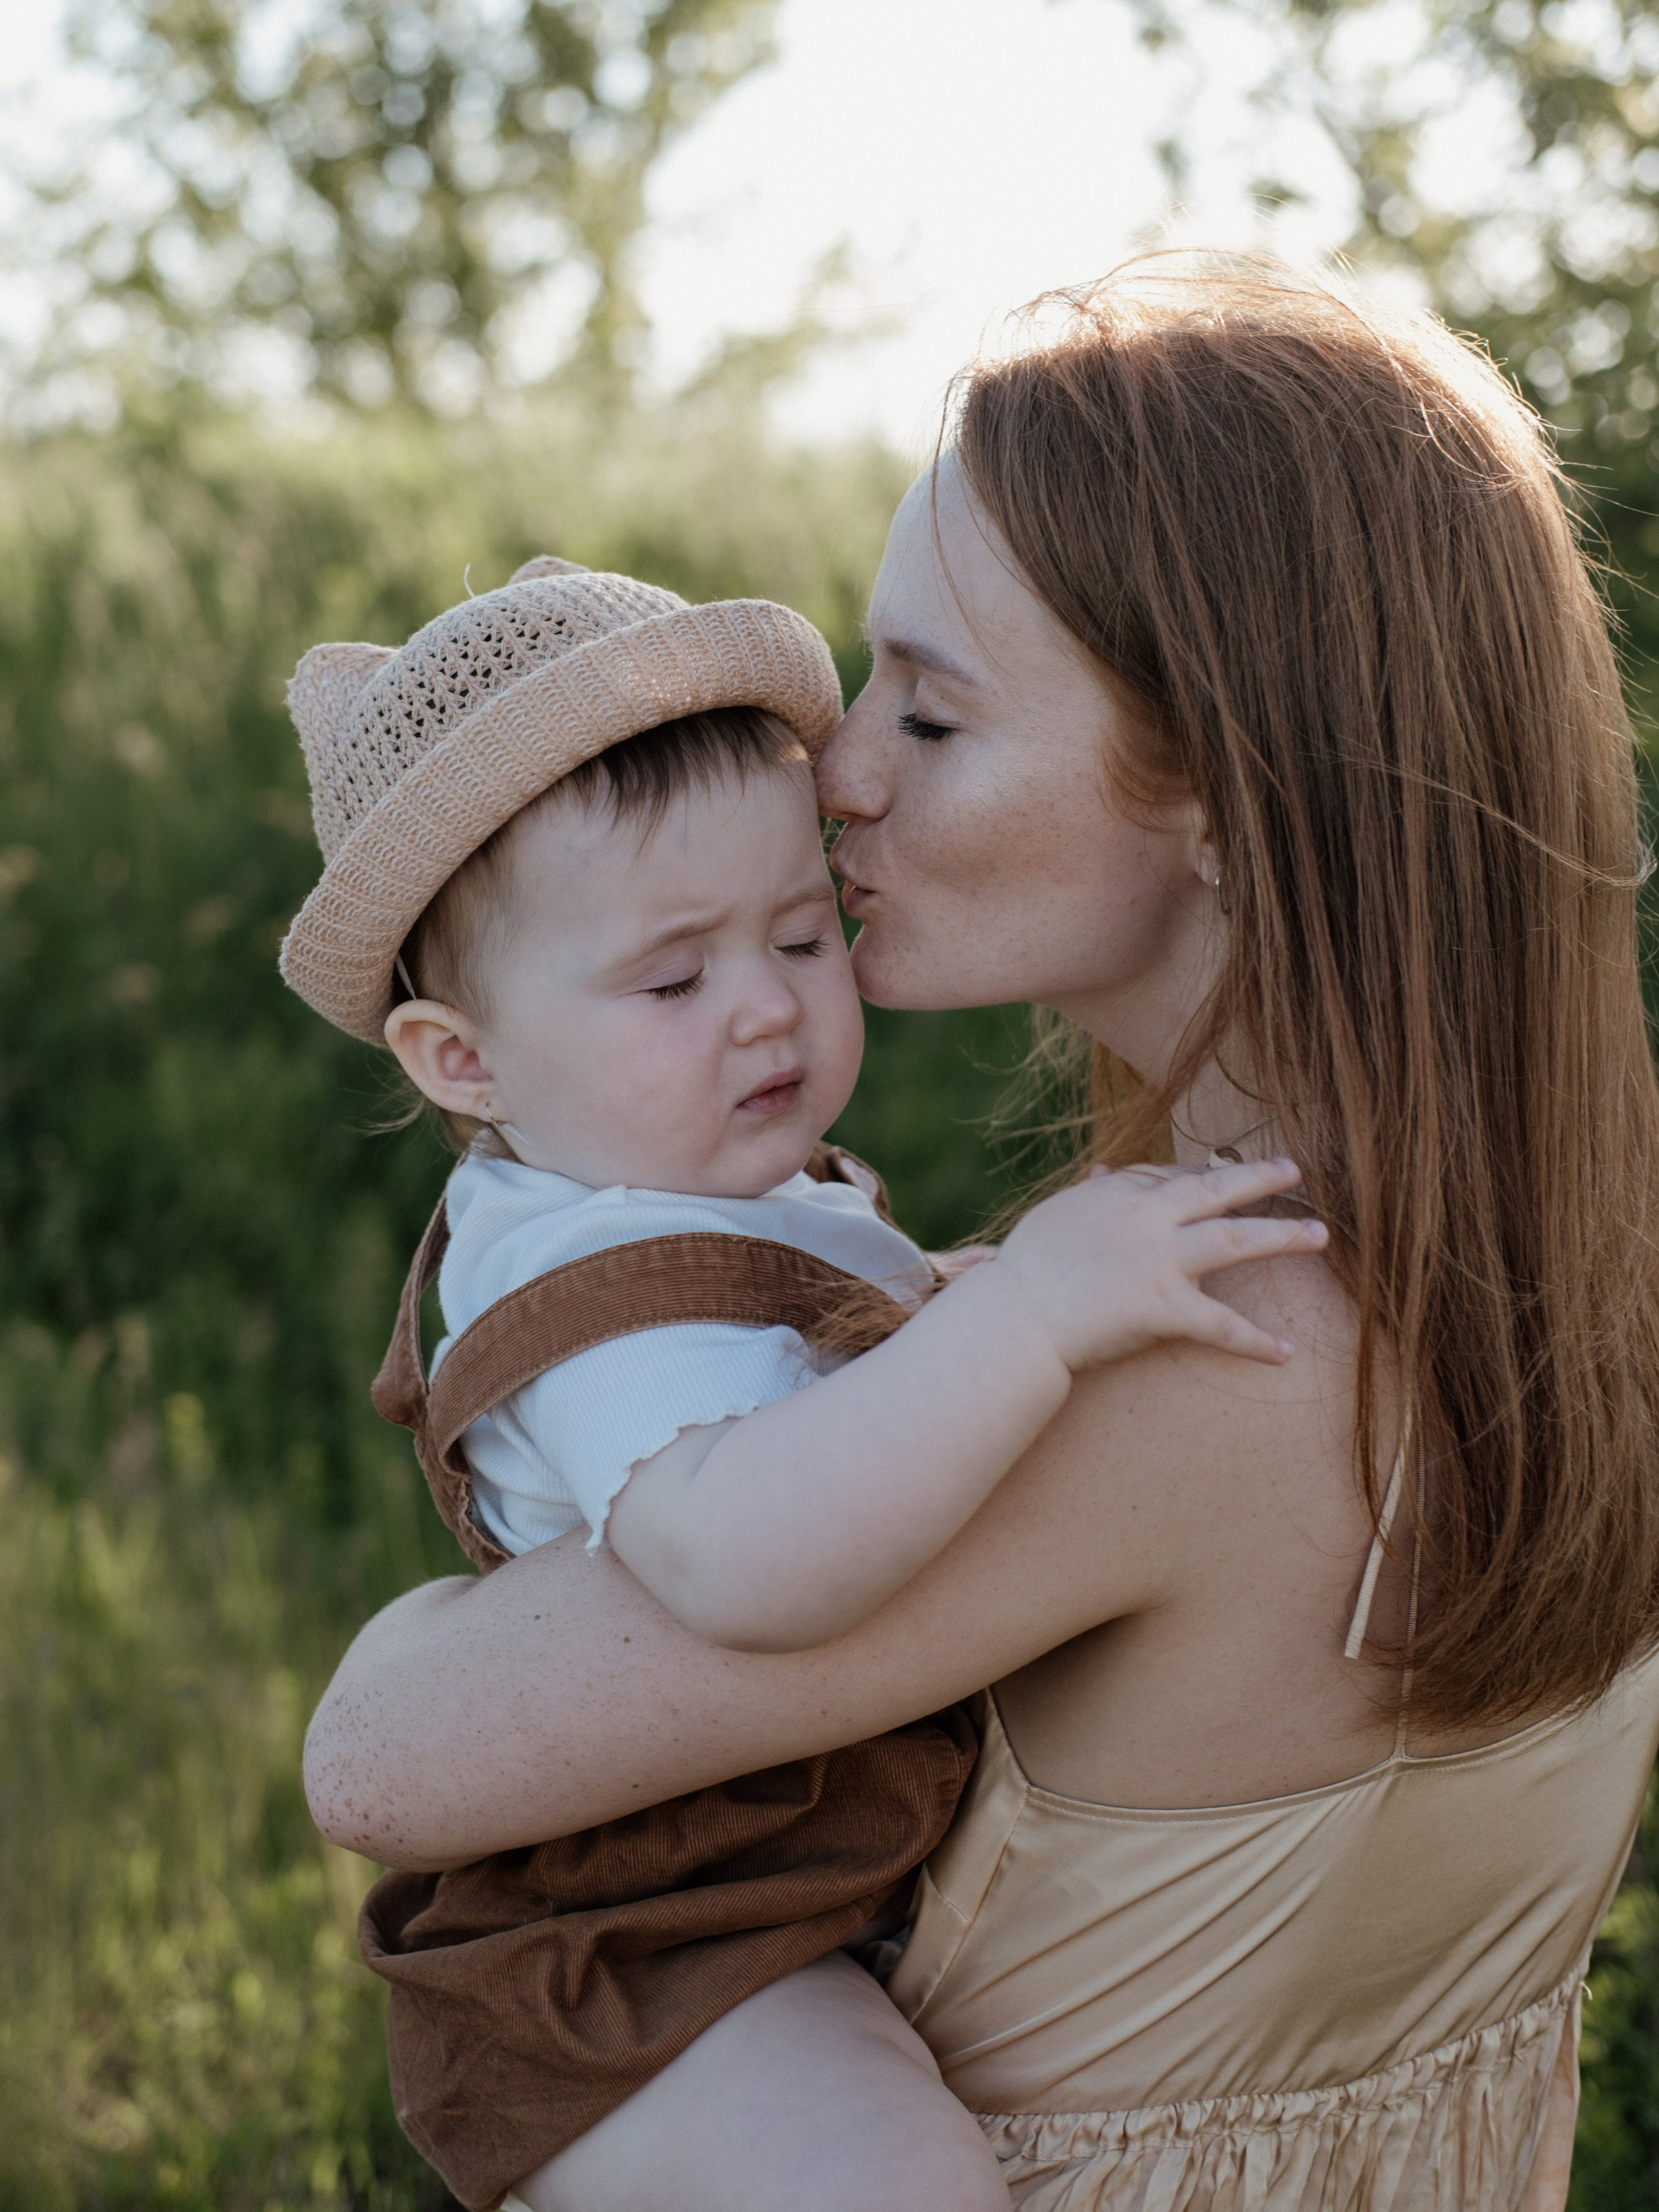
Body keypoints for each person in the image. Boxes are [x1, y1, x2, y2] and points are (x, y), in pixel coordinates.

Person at [303, 256, 1659, 2212]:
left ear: (1221, 791)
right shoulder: (1530, 1271)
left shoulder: (1222, 1355)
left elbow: (383, 1761)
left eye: (930, 716)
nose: (836, 771)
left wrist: (440, 1608)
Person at [277, 556, 1323, 2211]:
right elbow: (744, 1563)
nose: (765, 1006)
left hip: (782, 1893)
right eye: (675, 978)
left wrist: (939, 1317)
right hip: (644, 1957)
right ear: (460, 1060)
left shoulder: (681, 1179)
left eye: (798, 932)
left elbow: (808, 1383)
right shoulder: (596, 1280)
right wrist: (1019, 1327)